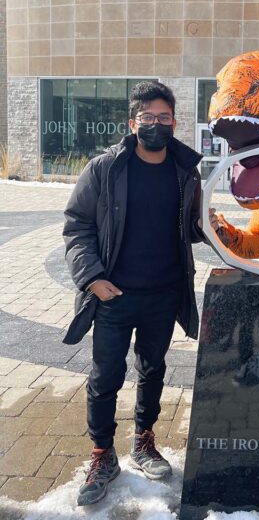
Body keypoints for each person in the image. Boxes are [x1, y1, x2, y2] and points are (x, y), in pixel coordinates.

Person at [63, 81, 205, 506]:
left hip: (163, 292)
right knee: (106, 376)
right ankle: (103, 454)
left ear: (174, 123)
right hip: (113, 295)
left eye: (164, 118)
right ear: (133, 122)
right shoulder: (105, 168)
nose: (157, 125)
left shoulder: (186, 171)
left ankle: (144, 441)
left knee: (153, 369)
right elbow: (77, 225)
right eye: (148, 118)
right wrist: (91, 278)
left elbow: (191, 229)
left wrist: (212, 225)